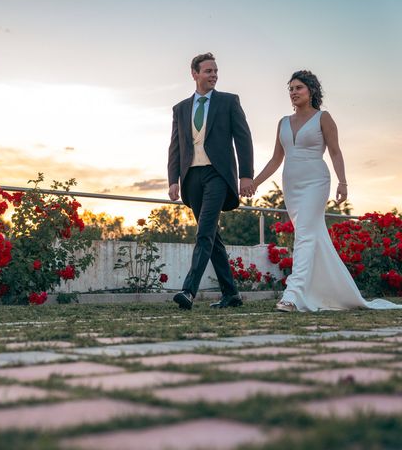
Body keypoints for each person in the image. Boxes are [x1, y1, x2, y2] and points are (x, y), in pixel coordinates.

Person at [253, 70, 402, 312]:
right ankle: (335, 291)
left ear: (311, 90)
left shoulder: (323, 117)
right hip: (291, 184)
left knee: (305, 234)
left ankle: (292, 294)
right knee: (313, 235)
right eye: (290, 89)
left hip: (316, 181)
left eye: (298, 87)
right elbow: (275, 159)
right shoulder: (282, 122)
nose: (293, 92)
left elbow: (335, 151)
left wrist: (343, 182)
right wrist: (256, 182)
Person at [168, 52, 255, 310]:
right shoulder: (180, 108)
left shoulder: (229, 102)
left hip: (218, 174)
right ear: (195, 74)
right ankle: (231, 294)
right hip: (192, 176)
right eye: (208, 71)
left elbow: (243, 137)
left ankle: (188, 291)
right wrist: (174, 179)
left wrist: (246, 175)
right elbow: (175, 146)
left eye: (216, 71)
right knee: (212, 238)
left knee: (204, 231)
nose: (214, 75)